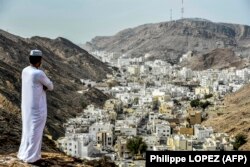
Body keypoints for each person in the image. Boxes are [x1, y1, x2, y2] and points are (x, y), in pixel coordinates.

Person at [17, 49, 53, 163]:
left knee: (27, 130)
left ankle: (23, 153)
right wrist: (44, 87)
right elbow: (51, 86)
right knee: (35, 132)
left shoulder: (25, 70)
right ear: (40, 60)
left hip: (26, 107)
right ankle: (31, 158)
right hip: (37, 108)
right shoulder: (38, 73)